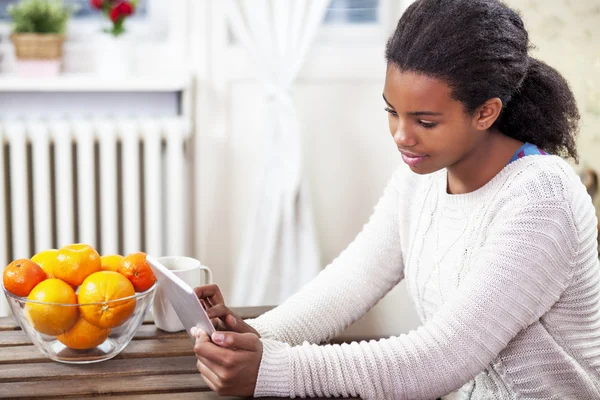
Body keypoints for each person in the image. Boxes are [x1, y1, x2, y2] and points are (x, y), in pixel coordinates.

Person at [191, 0, 600, 398]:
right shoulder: (421, 176)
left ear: (486, 113)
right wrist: (258, 335)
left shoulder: (543, 200)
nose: (402, 136)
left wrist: (273, 370)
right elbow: (353, 279)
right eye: (392, 112)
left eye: (425, 121)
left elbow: (439, 359)